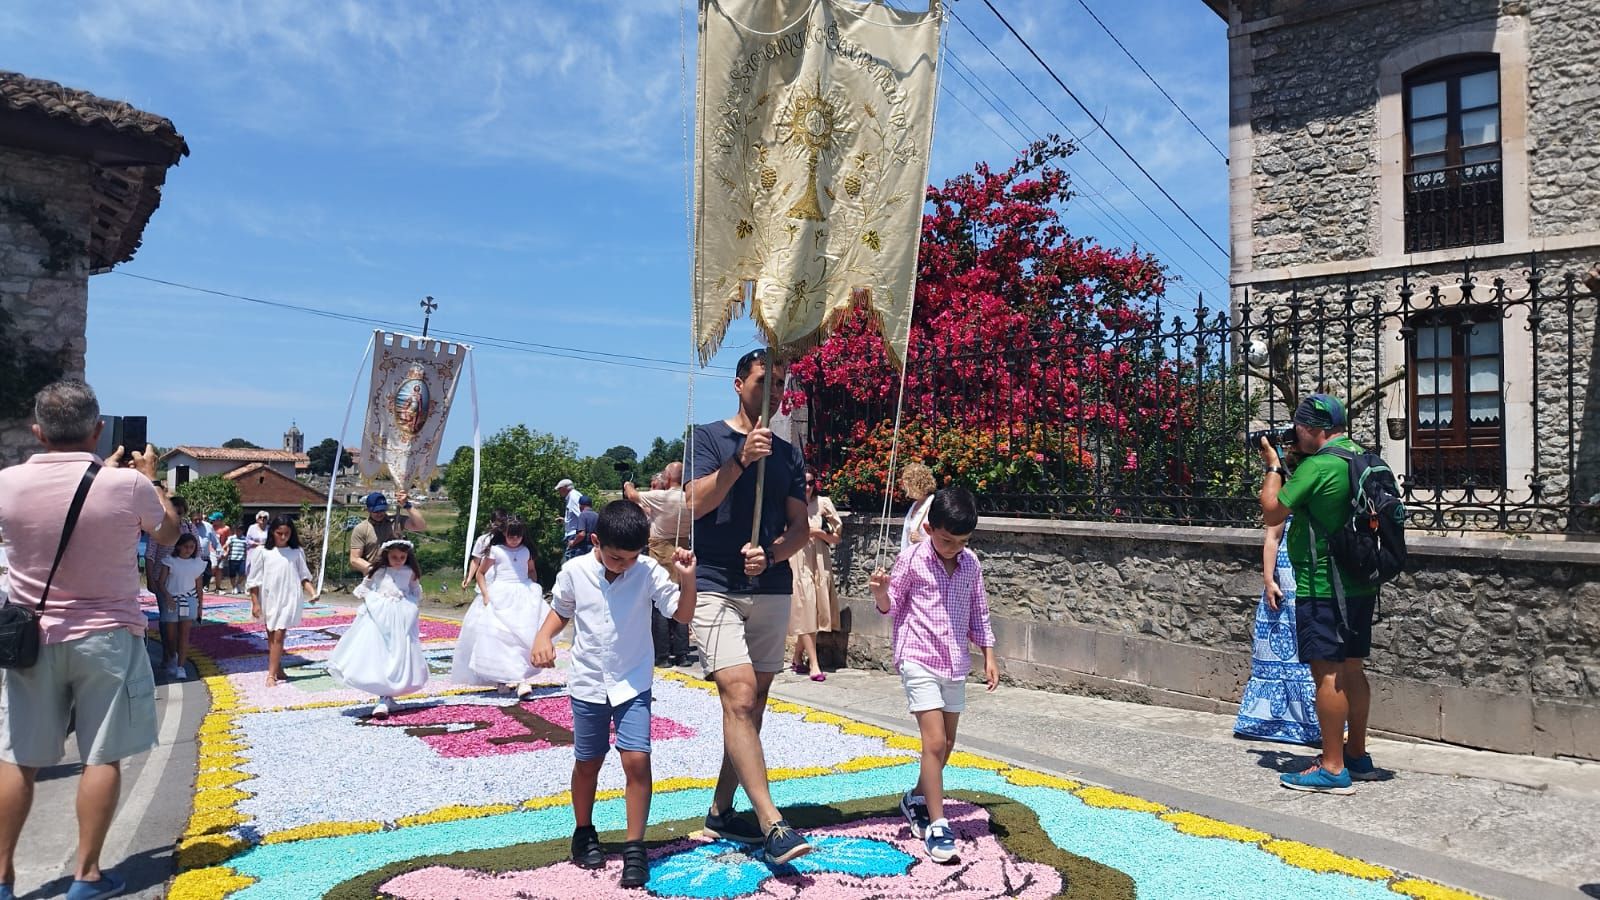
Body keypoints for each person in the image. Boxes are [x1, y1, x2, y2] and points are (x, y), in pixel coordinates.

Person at [0, 380, 181, 900]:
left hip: (31, 636)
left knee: (19, 757)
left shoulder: (9, 483)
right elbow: (167, 534)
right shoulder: (124, 485)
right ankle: (87, 875)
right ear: (98, 430)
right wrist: (151, 479)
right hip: (107, 635)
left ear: (37, 431)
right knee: (102, 756)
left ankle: (3, 877)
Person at [683, 347, 814, 864]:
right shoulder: (707, 438)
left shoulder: (789, 453)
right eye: (765, 382)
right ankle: (771, 823)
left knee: (750, 709)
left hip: (771, 588)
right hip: (715, 584)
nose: (774, 394)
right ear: (739, 384)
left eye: (781, 385)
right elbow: (695, 502)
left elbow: (800, 527)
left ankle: (720, 809)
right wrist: (741, 460)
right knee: (737, 695)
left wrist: (774, 553)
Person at [532, 501, 697, 888]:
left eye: (631, 557)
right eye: (615, 556)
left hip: (633, 682)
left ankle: (634, 847)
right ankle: (584, 830)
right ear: (595, 541)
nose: (623, 563)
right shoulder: (575, 571)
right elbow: (561, 611)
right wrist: (543, 636)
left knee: (637, 761)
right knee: (588, 761)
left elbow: (682, 615)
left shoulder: (647, 571)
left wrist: (687, 579)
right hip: (589, 682)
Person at [1258, 393, 1383, 794]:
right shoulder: (1363, 458)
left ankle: (1331, 767)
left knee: (1327, 674)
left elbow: (1272, 511)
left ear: (1312, 429)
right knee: (1353, 668)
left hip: (1323, 585)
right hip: (1361, 583)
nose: (1295, 433)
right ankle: (1357, 756)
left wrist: (1275, 466)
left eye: (1298, 427)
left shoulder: (1318, 466)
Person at [868, 487, 998, 863]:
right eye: (946, 539)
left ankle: (915, 798)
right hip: (918, 656)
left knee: (948, 744)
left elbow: (980, 611)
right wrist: (880, 594)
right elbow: (891, 608)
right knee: (935, 742)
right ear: (928, 528)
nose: (953, 547)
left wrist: (989, 653)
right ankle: (937, 824)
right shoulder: (911, 559)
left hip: (955, 661)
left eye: (961, 541)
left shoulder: (971, 563)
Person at [1234, 514, 1321, 745]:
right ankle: (1270, 719)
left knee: (1308, 644)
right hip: (1286, 573)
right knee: (1279, 642)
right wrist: (1269, 580)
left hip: (1310, 570)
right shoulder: (1286, 486)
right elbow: (1272, 535)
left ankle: (1314, 722)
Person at [328, 539, 428, 720]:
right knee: (380, 652)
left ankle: (389, 695)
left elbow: (415, 591)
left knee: (398, 653)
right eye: (394, 557)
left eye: (402, 557)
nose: (398, 560)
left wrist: (409, 604)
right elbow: (364, 587)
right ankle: (383, 695)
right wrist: (374, 600)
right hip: (379, 614)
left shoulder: (410, 572)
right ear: (386, 556)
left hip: (401, 616)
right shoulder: (380, 571)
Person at [451, 517, 547, 700]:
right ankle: (502, 679)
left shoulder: (526, 550)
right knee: (501, 637)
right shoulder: (496, 550)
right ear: (504, 534)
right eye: (511, 536)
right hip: (501, 593)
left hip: (523, 593)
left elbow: (531, 570)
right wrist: (486, 594)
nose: (515, 540)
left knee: (523, 637)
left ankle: (522, 678)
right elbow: (481, 573)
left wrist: (534, 588)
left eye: (518, 536)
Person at [623, 461, 692, 667]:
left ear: (668, 478)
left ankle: (662, 655)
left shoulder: (661, 497)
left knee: (659, 604)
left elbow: (632, 496)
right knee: (681, 599)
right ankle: (682, 654)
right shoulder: (690, 499)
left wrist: (628, 484)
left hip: (660, 551)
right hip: (682, 548)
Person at [248, 514, 316, 688]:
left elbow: (303, 576)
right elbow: (254, 580)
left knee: (279, 634)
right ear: (273, 533)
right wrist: (255, 603)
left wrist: (312, 592)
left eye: (287, 533)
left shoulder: (296, 551)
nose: (283, 537)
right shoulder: (262, 552)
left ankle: (270, 675)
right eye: (279, 533)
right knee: (271, 635)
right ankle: (277, 668)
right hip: (269, 597)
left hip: (289, 597)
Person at [788, 468, 842, 681]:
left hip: (818, 560)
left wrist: (819, 533)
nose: (807, 487)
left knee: (814, 609)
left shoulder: (823, 504)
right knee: (805, 606)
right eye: (803, 483)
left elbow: (837, 537)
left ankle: (796, 657)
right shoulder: (789, 504)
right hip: (797, 560)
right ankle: (815, 664)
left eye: (811, 483)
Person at [147, 495, 197, 664]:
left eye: (180, 512)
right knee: (167, 619)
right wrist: (150, 579)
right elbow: (150, 555)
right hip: (163, 581)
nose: (177, 514)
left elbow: (198, 554)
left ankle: (176, 656)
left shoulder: (189, 529)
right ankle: (167, 653)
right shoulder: (159, 527)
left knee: (181, 620)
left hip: (184, 581)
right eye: (173, 511)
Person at [159, 533, 209, 681]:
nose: (188, 550)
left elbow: (199, 587)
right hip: (172, 599)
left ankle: (181, 666)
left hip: (189, 599)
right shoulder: (169, 561)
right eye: (186, 547)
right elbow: (161, 583)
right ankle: (172, 657)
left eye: (192, 547)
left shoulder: (197, 563)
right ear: (179, 546)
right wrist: (167, 596)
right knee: (170, 635)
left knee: (184, 634)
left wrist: (200, 606)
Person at [349, 491, 426, 577]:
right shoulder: (361, 529)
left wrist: (407, 505)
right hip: (374, 574)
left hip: (397, 573)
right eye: (376, 511)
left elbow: (420, 526)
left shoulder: (395, 521)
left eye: (382, 510)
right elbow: (354, 559)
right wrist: (374, 570)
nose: (379, 514)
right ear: (368, 510)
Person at [460, 508, 509, 590]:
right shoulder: (483, 539)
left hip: (505, 581)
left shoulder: (510, 540)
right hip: (486, 581)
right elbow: (476, 561)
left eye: (501, 526)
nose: (498, 528)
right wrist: (469, 578)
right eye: (496, 525)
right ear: (491, 522)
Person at [898, 463, 937, 553]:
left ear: (916, 484)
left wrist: (922, 540)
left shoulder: (934, 504)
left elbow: (944, 539)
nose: (904, 488)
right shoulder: (914, 505)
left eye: (906, 484)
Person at [564, 495, 597, 563]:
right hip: (594, 548)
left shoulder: (583, 515)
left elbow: (582, 534)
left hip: (583, 549)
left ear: (581, 505)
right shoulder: (597, 515)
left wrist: (573, 543)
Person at [556, 477, 582, 554]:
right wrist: (565, 520)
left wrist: (577, 538)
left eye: (559, 489)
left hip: (574, 535)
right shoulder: (572, 496)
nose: (558, 491)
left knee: (572, 561)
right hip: (573, 534)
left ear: (565, 488)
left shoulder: (573, 497)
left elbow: (581, 515)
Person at [222, 526, 249, 595]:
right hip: (232, 558)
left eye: (239, 530)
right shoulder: (231, 538)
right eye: (236, 530)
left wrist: (247, 557)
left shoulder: (245, 539)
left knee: (243, 573)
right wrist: (223, 551)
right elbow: (225, 545)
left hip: (242, 559)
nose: (238, 531)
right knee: (232, 575)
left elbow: (247, 549)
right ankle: (234, 587)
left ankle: (238, 584)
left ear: (242, 531)